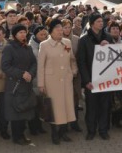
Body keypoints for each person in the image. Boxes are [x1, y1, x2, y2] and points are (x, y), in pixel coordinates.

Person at [38, 19, 78, 145]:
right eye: (58, 29)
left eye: (62, 29)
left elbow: (72, 59)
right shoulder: (44, 45)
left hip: (66, 80)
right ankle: (54, 134)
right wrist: (41, 83)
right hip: (51, 81)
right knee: (54, 108)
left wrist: (73, 71)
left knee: (66, 106)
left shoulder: (67, 42)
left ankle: (63, 132)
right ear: (51, 31)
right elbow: (40, 66)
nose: (61, 31)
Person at [77, 13, 113, 141]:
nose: (101, 23)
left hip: (105, 79)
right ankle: (91, 130)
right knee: (91, 107)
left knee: (105, 106)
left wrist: (108, 46)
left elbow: (114, 57)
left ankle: (103, 130)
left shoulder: (108, 37)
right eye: (98, 21)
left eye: (101, 21)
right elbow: (81, 62)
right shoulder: (84, 40)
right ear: (92, 24)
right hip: (91, 79)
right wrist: (86, 81)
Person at [1, 24, 38, 145]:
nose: (23, 34)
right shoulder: (9, 48)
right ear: (14, 35)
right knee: (16, 112)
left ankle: (21, 134)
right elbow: (5, 66)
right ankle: (16, 137)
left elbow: (34, 63)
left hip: (26, 84)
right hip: (15, 85)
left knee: (25, 110)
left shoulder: (27, 47)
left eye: (24, 32)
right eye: (20, 32)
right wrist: (22, 73)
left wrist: (30, 74)